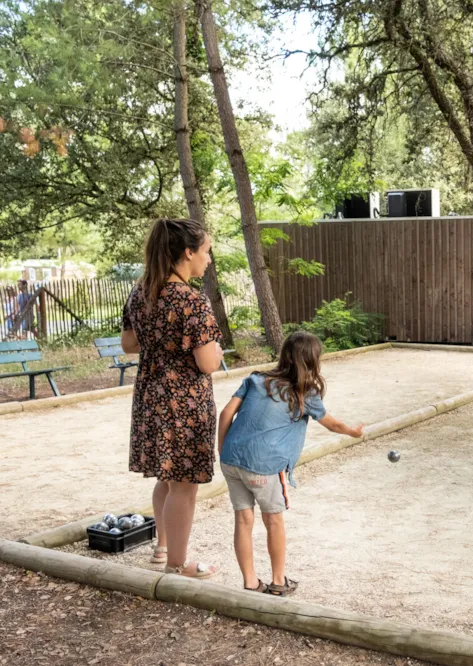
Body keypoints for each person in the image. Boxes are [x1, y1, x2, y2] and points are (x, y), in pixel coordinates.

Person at [217, 331, 364, 595]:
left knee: (243, 519)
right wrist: (352, 431)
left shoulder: (255, 379)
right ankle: (277, 581)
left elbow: (226, 413)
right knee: (273, 520)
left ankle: (250, 582)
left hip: (231, 460)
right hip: (264, 466)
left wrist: (223, 450)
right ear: (312, 361)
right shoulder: (305, 393)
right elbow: (331, 424)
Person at [121, 218, 225, 579]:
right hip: (184, 401)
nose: (208, 260)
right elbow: (208, 363)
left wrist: (160, 345)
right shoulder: (192, 300)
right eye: (206, 251)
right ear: (188, 252)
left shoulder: (141, 292)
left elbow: (129, 344)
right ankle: (177, 566)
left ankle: (162, 546)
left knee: (166, 477)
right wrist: (217, 349)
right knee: (184, 483)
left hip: (151, 395)